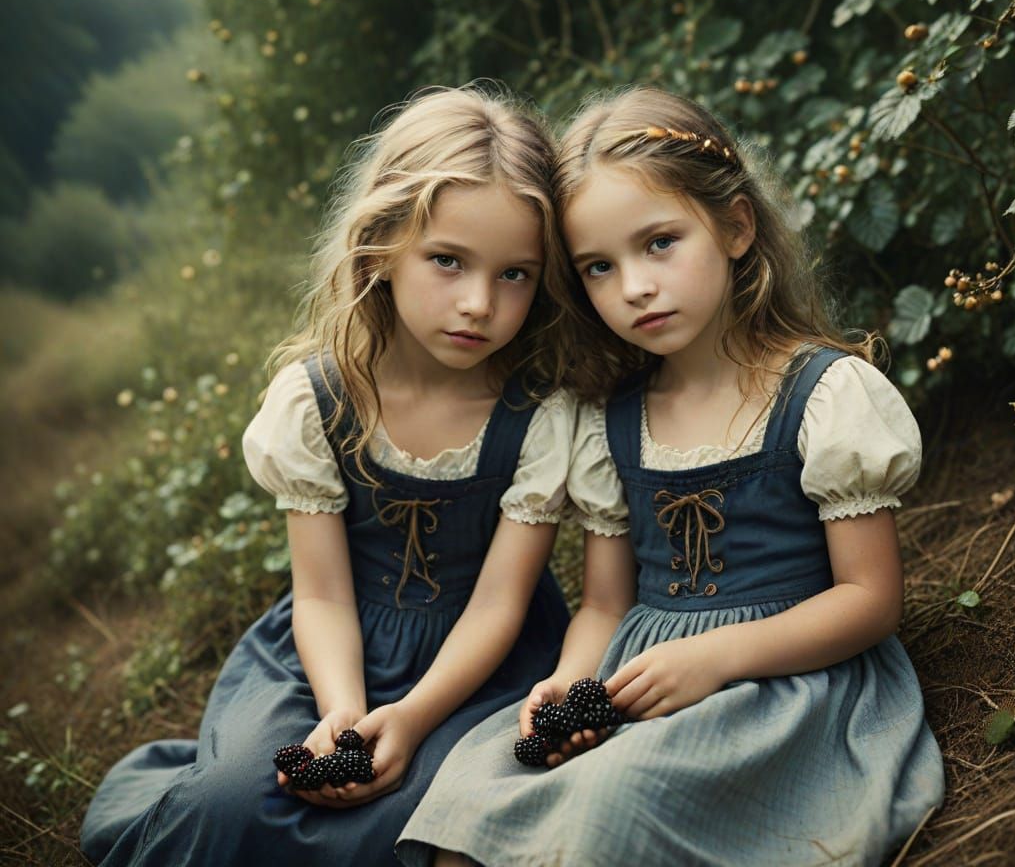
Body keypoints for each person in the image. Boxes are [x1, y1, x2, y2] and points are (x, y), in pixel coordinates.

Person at [397, 87, 945, 867]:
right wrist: (570, 680)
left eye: (659, 243)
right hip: (638, 676)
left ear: (735, 226)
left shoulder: (823, 395)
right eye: (598, 266)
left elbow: (871, 601)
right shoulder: (611, 420)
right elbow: (606, 602)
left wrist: (716, 657)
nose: (634, 287)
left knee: (610, 807)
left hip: (779, 686)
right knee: (473, 807)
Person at [80, 85, 575, 867]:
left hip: (483, 670)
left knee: (426, 820)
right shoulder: (318, 400)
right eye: (447, 261)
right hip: (327, 649)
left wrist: (410, 718)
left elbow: (500, 603)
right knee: (238, 801)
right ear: (381, 244)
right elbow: (321, 593)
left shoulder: (540, 414)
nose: (479, 303)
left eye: (515, 274)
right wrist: (344, 709)